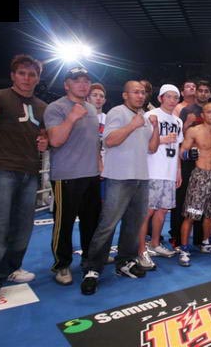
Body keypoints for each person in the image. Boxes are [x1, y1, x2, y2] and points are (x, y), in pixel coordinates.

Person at [0, 54, 48, 310]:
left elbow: (43, 139)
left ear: (38, 78)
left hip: (29, 171)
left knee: (23, 227)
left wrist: (44, 144)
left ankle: (12, 268)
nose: (27, 78)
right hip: (2, 169)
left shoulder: (42, 106)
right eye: (22, 73)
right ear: (13, 75)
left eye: (32, 74)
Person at [80, 81, 160, 295]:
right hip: (119, 177)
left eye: (143, 92)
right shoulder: (117, 112)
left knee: (133, 225)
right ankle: (93, 269)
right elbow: (109, 141)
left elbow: (152, 148)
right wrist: (133, 125)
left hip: (141, 178)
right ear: (125, 95)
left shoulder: (144, 117)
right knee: (108, 224)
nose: (140, 95)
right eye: (136, 92)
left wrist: (155, 127)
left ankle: (125, 261)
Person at [44, 67, 101, 286]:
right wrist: (72, 117)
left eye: (86, 80)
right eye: (77, 80)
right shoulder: (56, 108)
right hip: (66, 175)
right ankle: (62, 264)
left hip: (91, 174)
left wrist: (99, 163)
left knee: (91, 222)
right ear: (67, 84)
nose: (83, 84)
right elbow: (56, 140)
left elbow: (93, 140)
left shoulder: (91, 108)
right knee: (64, 223)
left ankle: (89, 258)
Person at [137, 84, 183, 270]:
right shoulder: (150, 116)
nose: (172, 100)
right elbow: (141, 142)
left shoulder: (178, 121)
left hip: (169, 171)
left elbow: (178, 147)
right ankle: (140, 250)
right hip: (152, 170)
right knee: (146, 211)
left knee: (163, 210)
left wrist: (178, 170)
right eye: (169, 96)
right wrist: (162, 139)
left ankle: (154, 243)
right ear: (161, 98)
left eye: (175, 97)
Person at [178, 103, 211, 266]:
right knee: (191, 215)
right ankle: (184, 249)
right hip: (199, 175)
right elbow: (181, 153)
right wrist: (188, 153)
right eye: (209, 112)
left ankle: (206, 243)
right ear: (203, 114)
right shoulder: (194, 131)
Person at [170, 80, 211, 247]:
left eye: (206, 91)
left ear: (210, 94)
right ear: (196, 93)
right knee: (182, 200)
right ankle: (177, 237)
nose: (202, 93)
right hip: (189, 162)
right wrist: (187, 123)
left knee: (203, 200)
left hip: (206, 162)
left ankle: (200, 239)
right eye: (200, 90)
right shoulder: (187, 111)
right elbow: (179, 138)